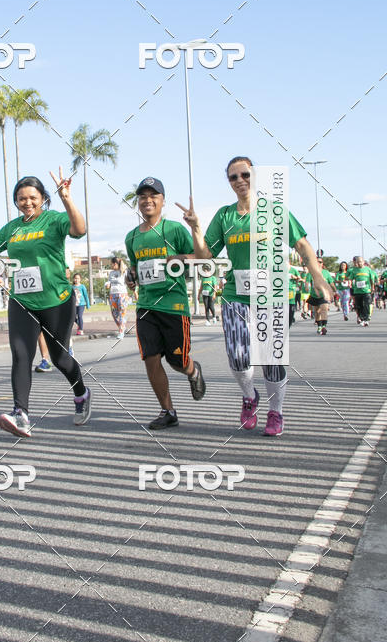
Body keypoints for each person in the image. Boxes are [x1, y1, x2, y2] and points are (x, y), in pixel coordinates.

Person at [181, 157, 333, 437]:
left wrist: (318, 277)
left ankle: (276, 411)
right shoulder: (225, 216)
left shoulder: (274, 211)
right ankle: (250, 396)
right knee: (238, 356)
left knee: (272, 361)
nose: (240, 180)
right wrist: (196, 228)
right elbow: (205, 256)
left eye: (245, 174)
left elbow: (302, 245)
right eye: (233, 177)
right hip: (235, 295)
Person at [0, 170, 91, 438]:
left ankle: (81, 393)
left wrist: (66, 197)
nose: (27, 202)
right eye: (21, 198)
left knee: (60, 358)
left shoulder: (54, 219)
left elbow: (79, 230)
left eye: (32, 197)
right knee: (21, 354)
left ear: (43, 198)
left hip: (57, 300)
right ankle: (20, 414)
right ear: (16, 201)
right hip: (22, 301)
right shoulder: (13, 228)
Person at [124, 176, 206, 430]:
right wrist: (131, 277)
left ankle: (193, 371)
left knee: (177, 361)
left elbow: (201, 258)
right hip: (147, 306)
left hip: (173, 305)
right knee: (150, 358)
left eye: (153, 196)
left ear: (162, 201)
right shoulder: (131, 237)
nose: (147, 200)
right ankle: (168, 411)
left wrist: (179, 256)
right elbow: (135, 268)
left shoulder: (174, 230)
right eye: (143, 197)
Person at [306, 256, 337, 335]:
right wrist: (307, 287)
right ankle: (319, 326)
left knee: (324, 309)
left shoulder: (326, 272)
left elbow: (331, 282)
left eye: (320, 262)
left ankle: (324, 326)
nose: (318, 263)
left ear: (322, 264)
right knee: (317, 311)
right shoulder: (310, 273)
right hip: (314, 295)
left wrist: (335, 290)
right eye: (317, 262)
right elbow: (307, 282)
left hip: (324, 295)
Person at [105, 256, 129, 339]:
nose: (111, 265)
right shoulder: (111, 273)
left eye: (111, 264)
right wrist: (107, 284)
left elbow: (129, 281)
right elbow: (109, 281)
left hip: (122, 294)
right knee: (114, 314)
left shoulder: (124, 272)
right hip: (113, 294)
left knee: (121, 313)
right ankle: (122, 326)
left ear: (115, 264)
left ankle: (121, 331)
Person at [348, 255, 374, 326]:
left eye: (360, 262)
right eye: (357, 262)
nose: (359, 263)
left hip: (366, 290)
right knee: (358, 305)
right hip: (357, 291)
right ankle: (361, 318)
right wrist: (350, 284)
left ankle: (366, 319)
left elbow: (371, 279)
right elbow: (350, 279)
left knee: (366, 304)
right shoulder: (354, 270)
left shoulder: (368, 269)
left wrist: (372, 287)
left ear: (363, 262)